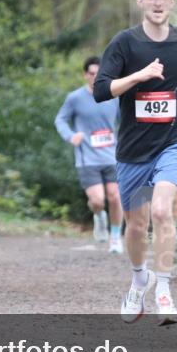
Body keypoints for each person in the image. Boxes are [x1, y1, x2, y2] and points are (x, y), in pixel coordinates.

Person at [93, 0, 177, 325]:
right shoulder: (124, 43)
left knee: (162, 211)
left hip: (174, 141)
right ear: (140, 2)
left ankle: (164, 291)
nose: (157, 2)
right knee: (136, 227)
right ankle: (140, 278)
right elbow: (101, 90)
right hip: (132, 149)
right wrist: (138, 76)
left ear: (172, 2)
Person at [54, 56, 123, 253]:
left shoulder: (114, 96)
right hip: (87, 158)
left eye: (99, 74)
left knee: (115, 196)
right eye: (91, 74)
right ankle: (99, 216)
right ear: (86, 75)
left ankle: (116, 237)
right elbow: (60, 120)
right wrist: (70, 135)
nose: (95, 77)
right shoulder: (75, 98)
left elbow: (125, 122)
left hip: (112, 156)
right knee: (97, 200)